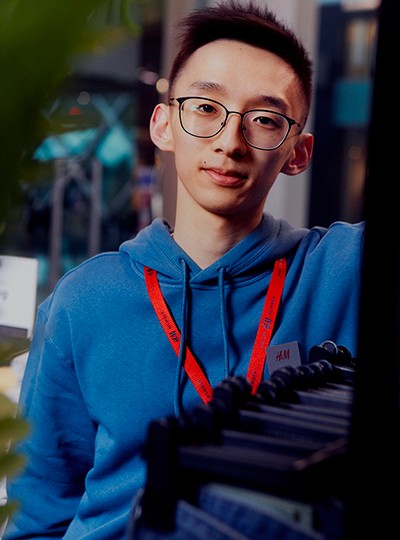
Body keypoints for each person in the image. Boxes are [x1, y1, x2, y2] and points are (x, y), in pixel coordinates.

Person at [4, 1, 364, 538]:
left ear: (298, 152)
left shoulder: (341, 270)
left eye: (265, 120)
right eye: (205, 108)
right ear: (163, 123)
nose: (229, 141)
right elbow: (39, 515)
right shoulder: (84, 300)